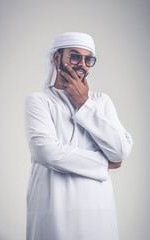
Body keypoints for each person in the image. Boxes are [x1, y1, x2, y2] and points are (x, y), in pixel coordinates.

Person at [24, 32, 133, 240]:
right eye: (74, 57)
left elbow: (120, 151)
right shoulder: (39, 101)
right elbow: (46, 153)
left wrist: (84, 103)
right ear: (57, 59)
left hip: (99, 211)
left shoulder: (101, 102)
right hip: (53, 210)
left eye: (88, 59)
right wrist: (103, 162)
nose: (82, 64)